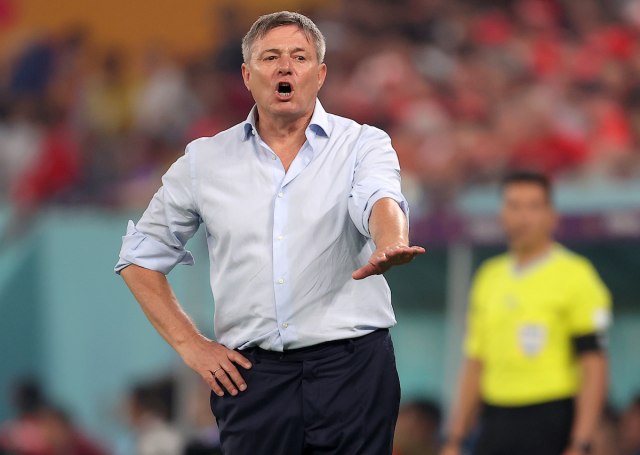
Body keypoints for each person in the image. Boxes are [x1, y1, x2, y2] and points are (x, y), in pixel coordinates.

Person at [115, 11, 424, 455]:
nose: (285, 68)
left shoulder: (363, 143)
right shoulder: (205, 160)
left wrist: (391, 239)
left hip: (352, 369)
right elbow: (140, 257)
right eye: (270, 57)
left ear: (319, 74)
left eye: (299, 57)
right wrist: (192, 346)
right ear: (247, 75)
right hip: (250, 377)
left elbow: (379, 198)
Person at [440, 171, 612, 455]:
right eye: (514, 206)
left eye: (534, 206)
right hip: (495, 417)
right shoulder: (488, 277)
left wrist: (581, 442)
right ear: (502, 214)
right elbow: (475, 362)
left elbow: (593, 364)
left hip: (551, 416)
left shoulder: (576, 276)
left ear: (552, 216)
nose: (523, 217)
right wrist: (454, 439)